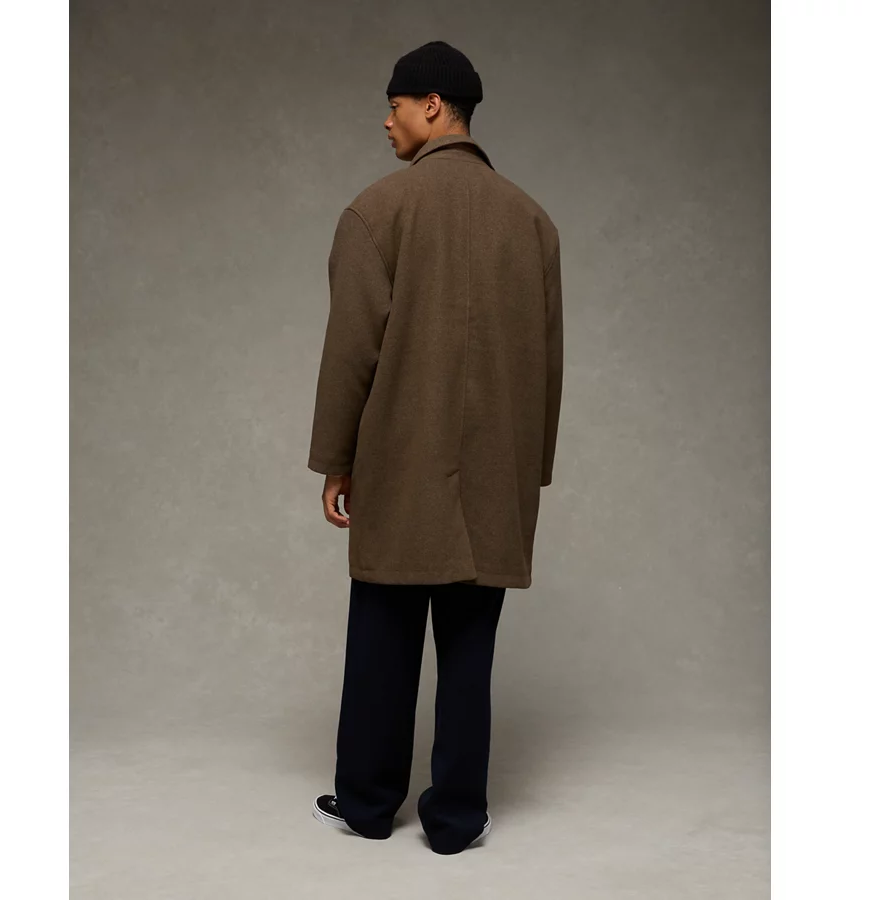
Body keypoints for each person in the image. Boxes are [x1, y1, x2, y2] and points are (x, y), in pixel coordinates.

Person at [307, 40, 563, 855]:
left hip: (397, 465)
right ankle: (455, 819)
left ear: (432, 106)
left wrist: (336, 459)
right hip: (496, 475)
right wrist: (531, 470)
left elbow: (351, 352)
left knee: (382, 641)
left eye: (394, 106)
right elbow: (548, 363)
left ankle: (367, 804)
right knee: (469, 648)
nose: (385, 122)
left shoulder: (376, 212)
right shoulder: (532, 222)